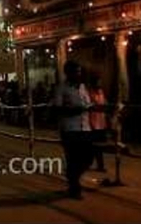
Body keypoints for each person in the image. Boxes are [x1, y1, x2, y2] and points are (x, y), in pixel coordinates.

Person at [50, 61, 93, 199]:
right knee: (73, 159)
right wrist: (74, 110)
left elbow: (87, 104)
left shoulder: (82, 87)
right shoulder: (61, 88)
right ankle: (75, 187)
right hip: (69, 129)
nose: (79, 74)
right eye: (76, 71)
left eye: (80, 71)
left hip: (85, 128)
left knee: (88, 158)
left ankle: (71, 177)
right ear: (68, 73)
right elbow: (56, 108)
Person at [87, 73, 107, 172]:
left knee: (99, 145)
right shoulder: (90, 92)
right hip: (93, 122)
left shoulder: (101, 92)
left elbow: (104, 104)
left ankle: (100, 165)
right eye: (98, 81)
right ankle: (90, 163)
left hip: (101, 122)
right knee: (93, 145)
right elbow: (92, 105)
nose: (100, 83)